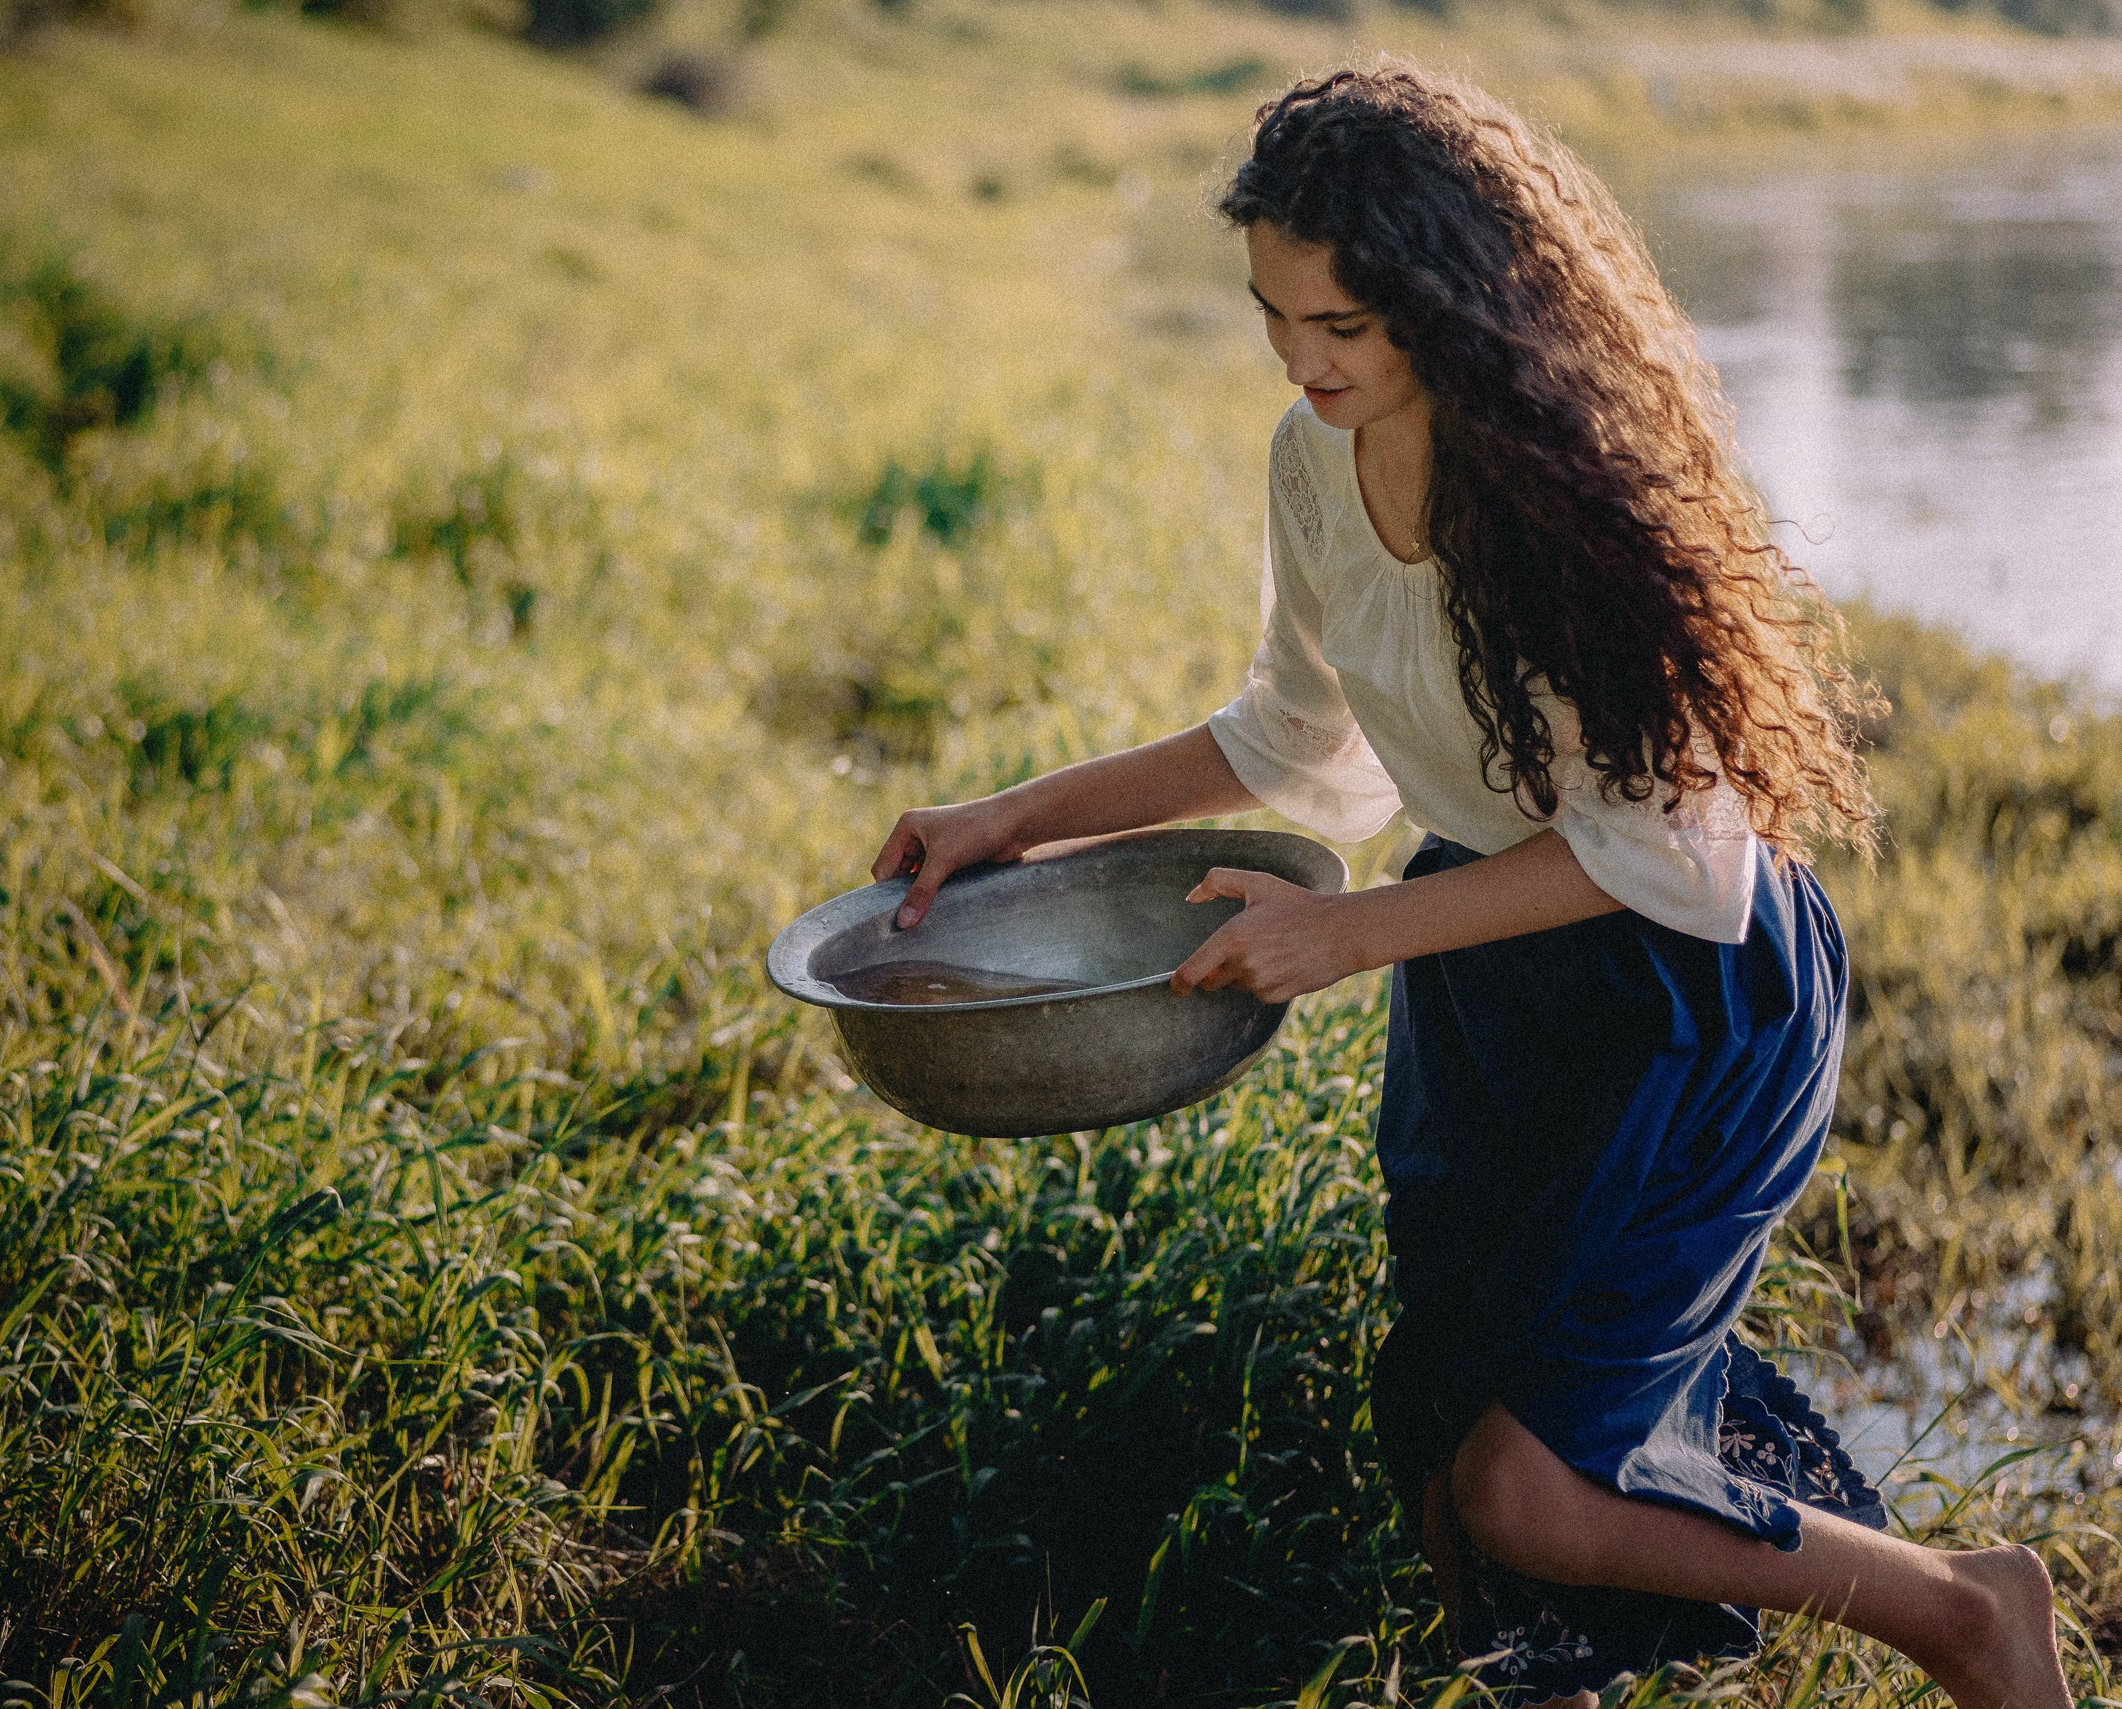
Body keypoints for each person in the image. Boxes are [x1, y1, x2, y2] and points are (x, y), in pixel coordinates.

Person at [867, 61, 2073, 1709]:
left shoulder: (1574, 499)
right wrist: (1014, 818)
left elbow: (1673, 852)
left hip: (1688, 1002)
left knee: (1533, 1481)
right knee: (1444, 1459)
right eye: (1273, 315)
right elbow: (1294, 739)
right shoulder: (1313, 459)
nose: (1303, 359)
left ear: (1450, 295)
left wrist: (1347, 934)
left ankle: (1966, 1608)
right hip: (1493, 985)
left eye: (1344, 324)